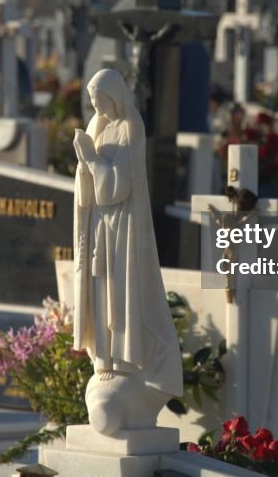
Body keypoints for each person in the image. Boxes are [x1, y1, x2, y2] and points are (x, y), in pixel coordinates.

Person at [71, 69, 181, 398]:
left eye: (101, 102)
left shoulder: (131, 129)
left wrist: (91, 158)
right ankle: (103, 357)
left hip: (121, 226)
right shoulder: (96, 125)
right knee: (100, 290)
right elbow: (87, 185)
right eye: (93, 103)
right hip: (97, 225)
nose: (97, 109)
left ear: (115, 96)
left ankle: (123, 360)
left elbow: (118, 187)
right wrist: (83, 163)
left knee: (119, 293)